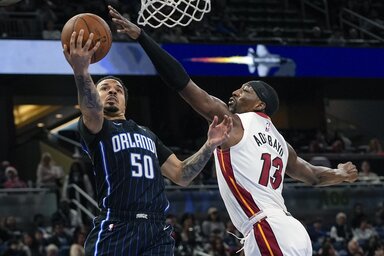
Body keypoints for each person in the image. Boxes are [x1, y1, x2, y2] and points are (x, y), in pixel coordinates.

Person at [107, 5, 359, 255]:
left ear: (260, 104)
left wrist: (142, 37)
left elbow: (181, 82)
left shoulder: (234, 123)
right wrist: (339, 174)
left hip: (267, 228)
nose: (236, 92)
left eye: (245, 89)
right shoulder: (282, 144)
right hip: (288, 229)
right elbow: (314, 175)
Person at [62, 26, 233, 255]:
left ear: (125, 101)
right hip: (118, 225)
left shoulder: (148, 135)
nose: (112, 92)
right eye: (105, 88)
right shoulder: (97, 127)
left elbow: (182, 175)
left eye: (118, 90)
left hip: (156, 229)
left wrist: (210, 144)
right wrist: (82, 72)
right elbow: (91, 109)